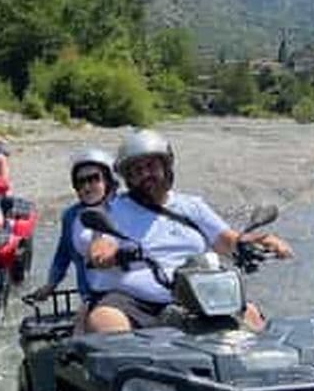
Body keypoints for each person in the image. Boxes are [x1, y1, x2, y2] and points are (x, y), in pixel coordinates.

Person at [74, 129, 292, 333]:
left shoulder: (192, 206)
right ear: (128, 178)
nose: (146, 174)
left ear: (166, 167)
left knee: (250, 315)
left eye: (151, 166)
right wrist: (116, 255)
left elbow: (227, 241)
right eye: (137, 171)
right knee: (105, 320)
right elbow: (100, 250)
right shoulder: (112, 210)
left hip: (197, 294)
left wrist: (259, 241)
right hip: (132, 302)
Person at [30, 149, 117, 303]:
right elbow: (63, 254)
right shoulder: (70, 216)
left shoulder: (124, 209)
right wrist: (51, 285)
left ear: (108, 181)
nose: (87, 187)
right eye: (80, 182)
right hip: (91, 295)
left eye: (93, 179)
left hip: (125, 292)